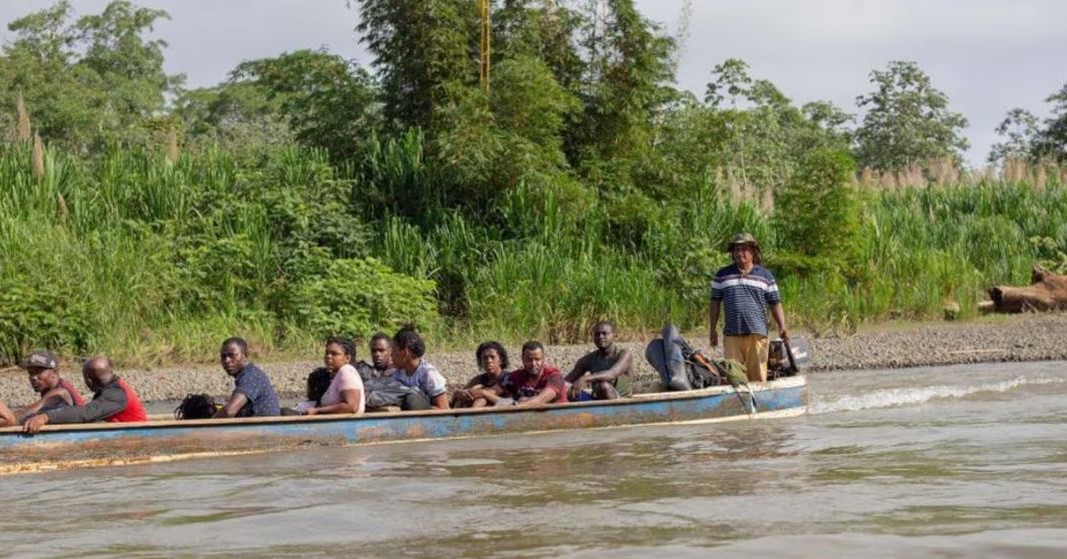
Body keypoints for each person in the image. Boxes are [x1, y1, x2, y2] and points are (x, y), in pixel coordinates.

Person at [709, 233, 790, 383]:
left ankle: (760, 405)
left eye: (744, 249)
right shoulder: (722, 275)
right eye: (736, 250)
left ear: (753, 252)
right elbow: (714, 303)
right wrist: (712, 329)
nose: (740, 253)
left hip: (757, 334)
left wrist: (782, 326)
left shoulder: (765, 276)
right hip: (732, 335)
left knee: (758, 378)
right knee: (734, 379)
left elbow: (775, 303)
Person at [23, 356, 147, 433]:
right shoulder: (111, 390)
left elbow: (87, 413)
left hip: (139, 436)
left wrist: (46, 417)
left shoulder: (117, 394)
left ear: (89, 381)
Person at [566, 321, 634, 401]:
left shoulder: (624, 354)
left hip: (621, 401)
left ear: (614, 336)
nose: (601, 337)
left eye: (605, 333)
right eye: (597, 334)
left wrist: (585, 379)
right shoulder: (589, 359)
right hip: (596, 400)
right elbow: (567, 380)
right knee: (564, 386)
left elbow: (612, 374)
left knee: (604, 386)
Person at [214, 337, 281, 418]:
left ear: (245, 355)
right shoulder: (247, 374)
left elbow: (229, 411)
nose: (227, 360)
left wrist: (207, 426)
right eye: (223, 356)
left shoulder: (251, 376)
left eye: (232, 355)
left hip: (261, 428)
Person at [12, 350, 86, 422]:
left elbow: (28, 411)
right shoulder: (53, 388)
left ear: (54, 373)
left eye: (38, 372)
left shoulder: (60, 392)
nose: (33, 377)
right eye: (31, 373)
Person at [301, 336, 365, 415]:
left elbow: (351, 406)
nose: (328, 356)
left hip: (347, 425)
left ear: (347, 358)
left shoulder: (347, 371)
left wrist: (317, 411)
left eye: (334, 354)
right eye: (327, 353)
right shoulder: (335, 376)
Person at [389, 326, 449, 410]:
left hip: (427, 420)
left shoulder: (428, 374)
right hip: (408, 420)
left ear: (404, 353)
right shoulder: (398, 374)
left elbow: (444, 409)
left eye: (394, 351)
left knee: (412, 399)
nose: (391, 355)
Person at [502, 341, 568, 406]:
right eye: (529, 360)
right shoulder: (517, 376)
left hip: (558, 415)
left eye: (537, 359)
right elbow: (494, 391)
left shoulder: (555, 377)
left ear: (543, 359)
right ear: (522, 358)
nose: (533, 364)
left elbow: (539, 400)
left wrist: (518, 405)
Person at [452, 341, 510, 408]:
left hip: (503, 409)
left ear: (501, 360)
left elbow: (509, 402)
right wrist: (459, 393)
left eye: (492, 357)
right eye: (485, 358)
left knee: (481, 400)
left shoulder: (507, 378)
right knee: (459, 401)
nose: (489, 361)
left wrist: (482, 393)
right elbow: (463, 392)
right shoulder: (479, 379)